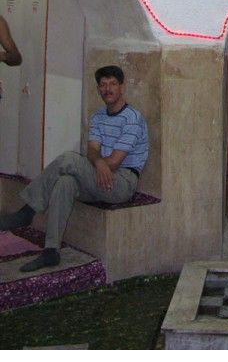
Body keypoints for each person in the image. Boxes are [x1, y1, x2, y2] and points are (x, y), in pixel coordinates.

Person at [0, 65, 148, 272]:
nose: (108, 89)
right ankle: (51, 251)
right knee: (65, 182)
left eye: (112, 84)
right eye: (103, 85)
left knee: (68, 159)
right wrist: (97, 163)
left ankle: (27, 211)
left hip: (122, 182)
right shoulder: (97, 117)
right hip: (100, 177)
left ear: (121, 88)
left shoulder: (133, 118)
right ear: (98, 89)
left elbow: (115, 161)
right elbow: (93, 152)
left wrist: (101, 163)